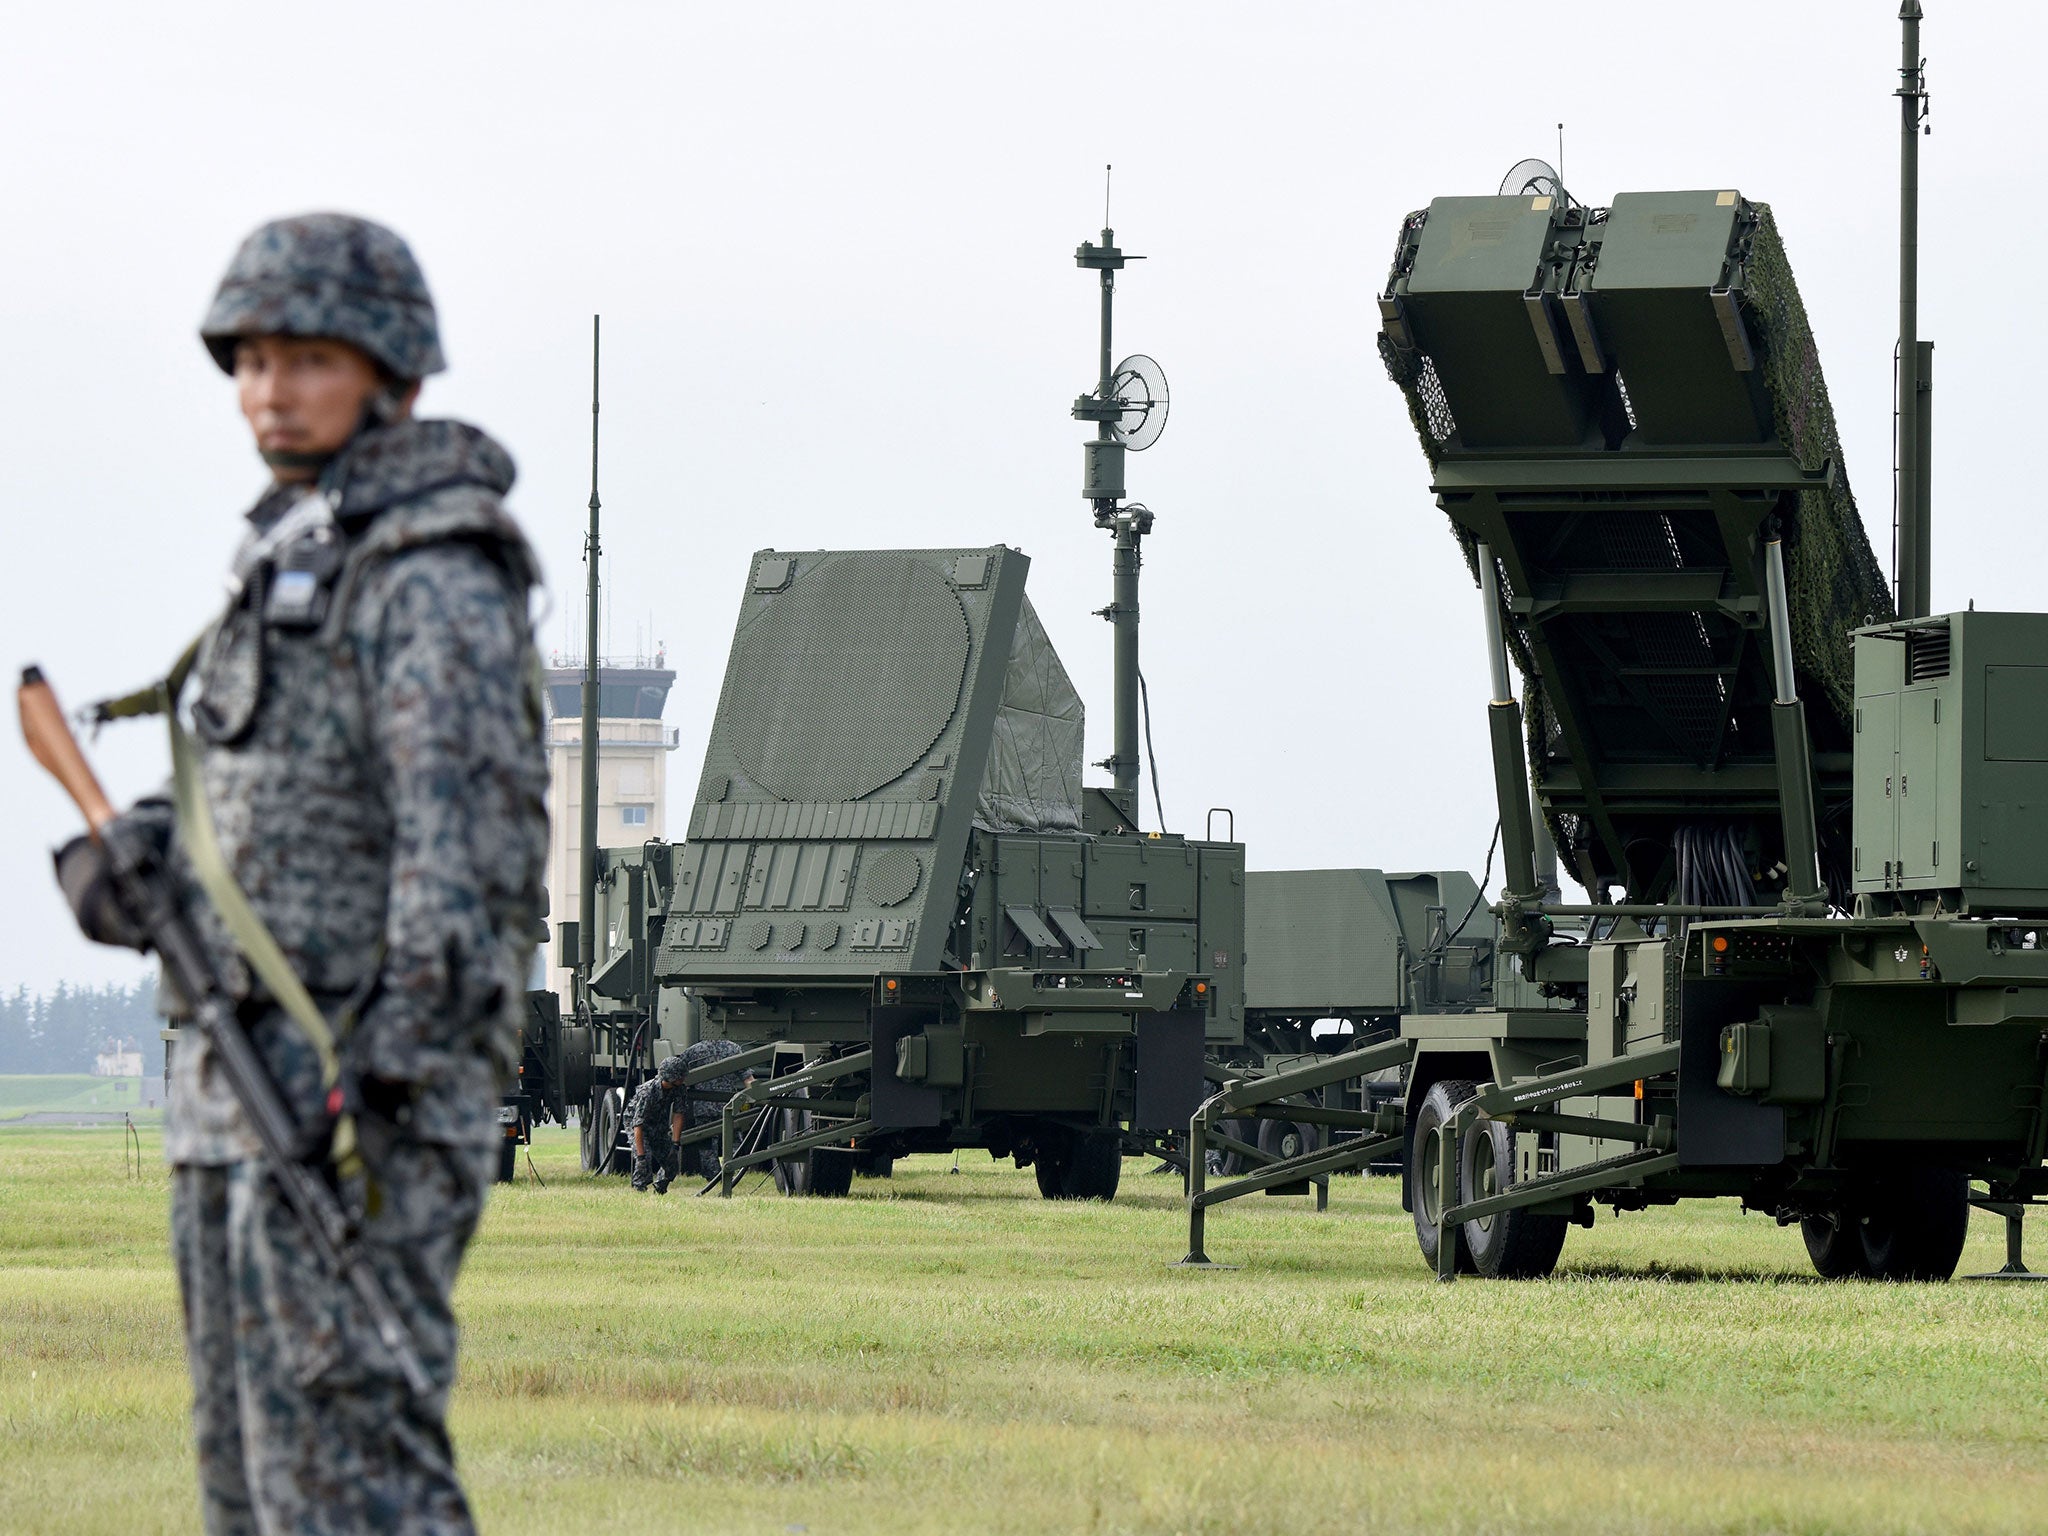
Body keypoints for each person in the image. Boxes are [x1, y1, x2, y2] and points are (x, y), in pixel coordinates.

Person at [55, 213, 546, 1536]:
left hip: (350, 1110)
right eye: (253, 360)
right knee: (251, 1489)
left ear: (395, 372)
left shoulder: (431, 569)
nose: (271, 389)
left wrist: (382, 1072)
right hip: (233, 1093)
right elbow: (261, 788)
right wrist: (146, 852)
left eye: (309, 358)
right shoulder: (290, 557)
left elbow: (470, 846)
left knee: (355, 1482)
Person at [627, 1055, 689, 1192]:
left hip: (658, 1122)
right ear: (671, 1077)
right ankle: (639, 1190)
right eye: (680, 1077)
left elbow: (679, 1114)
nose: (683, 1079)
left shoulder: (679, 1089)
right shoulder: (647, 1092)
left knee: (671, 1162)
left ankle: (660, 1188)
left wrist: (675, 1144)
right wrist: (641, 1155)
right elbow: (638, 1125)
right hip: (638, 1124)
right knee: (644, 1161)